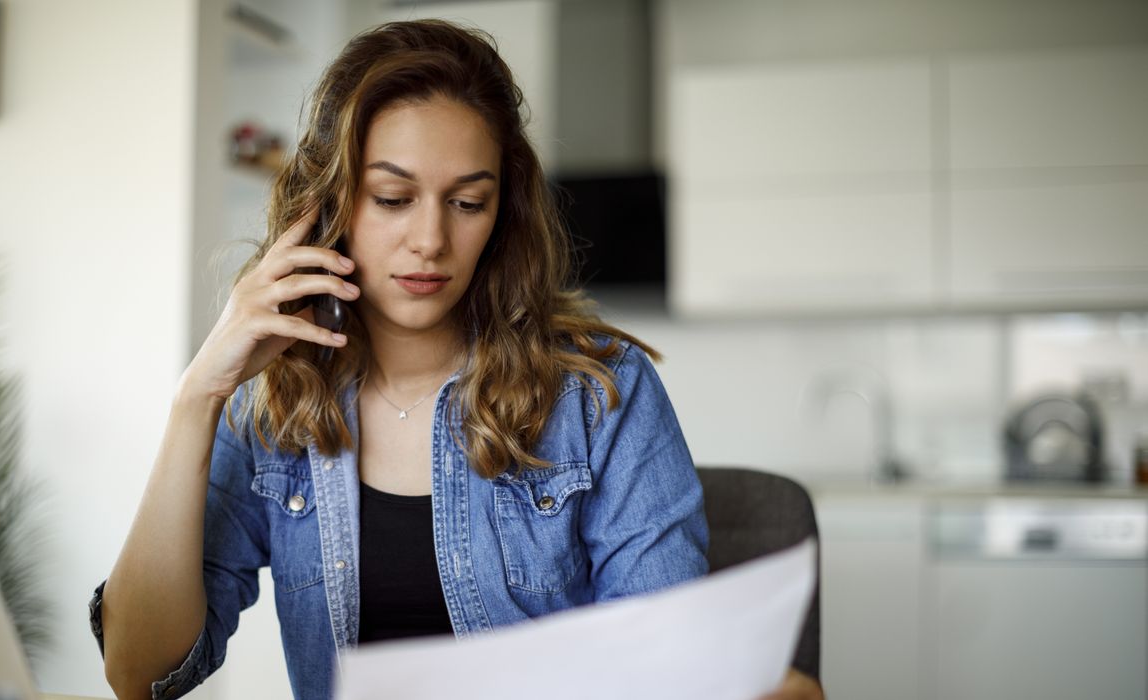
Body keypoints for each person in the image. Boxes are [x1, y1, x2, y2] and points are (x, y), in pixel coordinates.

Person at [91, 19, 822, 700]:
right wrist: (198, 397)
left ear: (502, 215)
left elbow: (665, 667)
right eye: (392, 198)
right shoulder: (272, 402)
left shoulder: (599, 394)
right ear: (329, 205)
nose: (431, 241)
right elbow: (137, 674)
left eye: (467, 203)